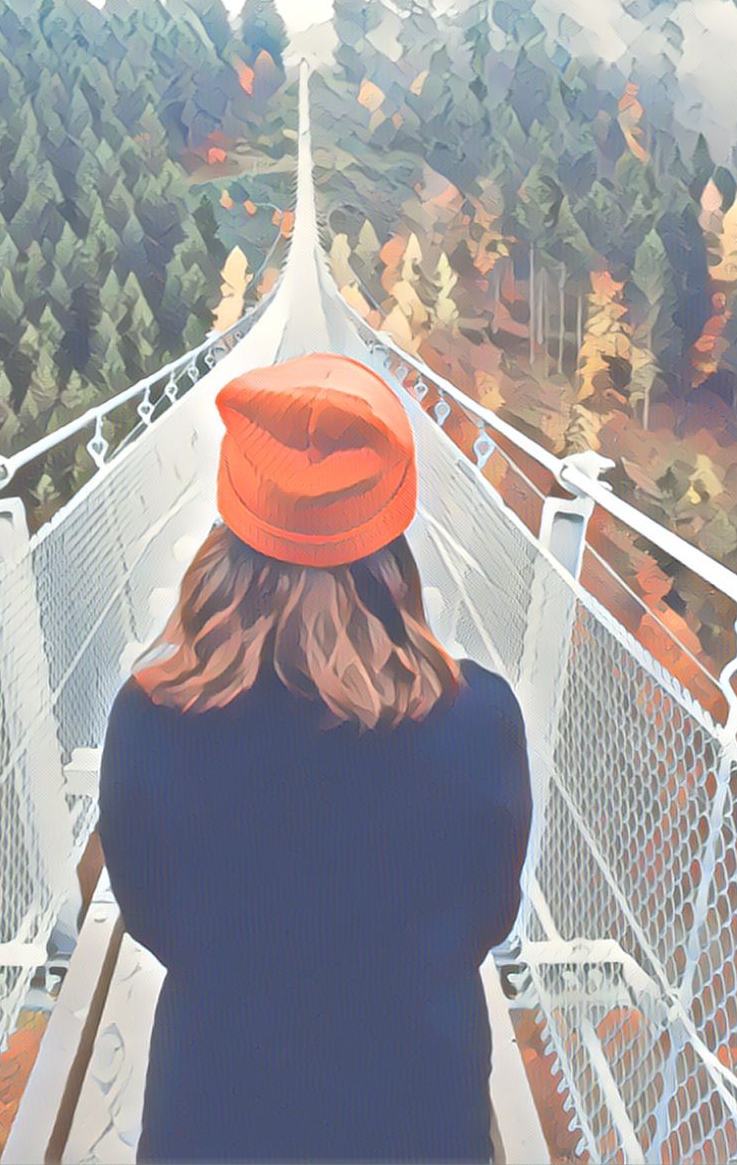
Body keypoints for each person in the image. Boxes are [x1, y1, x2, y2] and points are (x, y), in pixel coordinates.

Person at [98, 352, 533, 1163]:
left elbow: (150, 918)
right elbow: (490, 916)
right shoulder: (481, 724)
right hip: (419, 1124)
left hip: (214, 1123)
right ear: (393, 536)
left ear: (230, 527)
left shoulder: (147, 721)